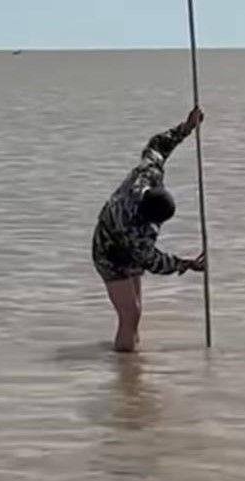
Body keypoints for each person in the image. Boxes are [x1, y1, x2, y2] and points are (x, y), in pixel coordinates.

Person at [92, 107, 207, 352]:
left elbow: (157, 146)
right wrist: (184, 264)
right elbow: (154, 262)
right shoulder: (135, 231)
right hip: (108, 252)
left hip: (126, 247)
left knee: (137, 311)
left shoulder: (147, 175)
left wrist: (187, 127)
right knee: (130, 313)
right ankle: (124, 361)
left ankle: (131, 364)